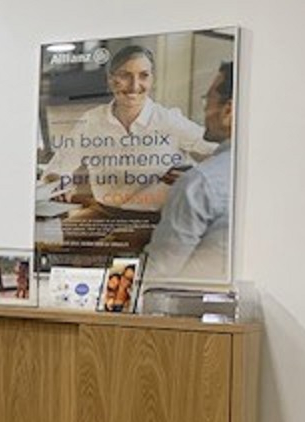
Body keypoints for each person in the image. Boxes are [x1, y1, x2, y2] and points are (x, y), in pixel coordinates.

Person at [42, 46, 219, 249]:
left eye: (144, 75)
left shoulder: (168, 120)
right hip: (103, 213)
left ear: (152, 79)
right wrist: (57, 182)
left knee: (111, 246)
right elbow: (57, 167)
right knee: (48, 242)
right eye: (125, 75)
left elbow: (221, 151)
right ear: (111, 80)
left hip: (154, 219)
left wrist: (194, 177)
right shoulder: (92, 121)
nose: (135, 85)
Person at [144, 62, 235, 281]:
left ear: (229, 110)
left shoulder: (200, 183)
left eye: (208, 100)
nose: (205, 110)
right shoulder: (270, 174)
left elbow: (157, 273)